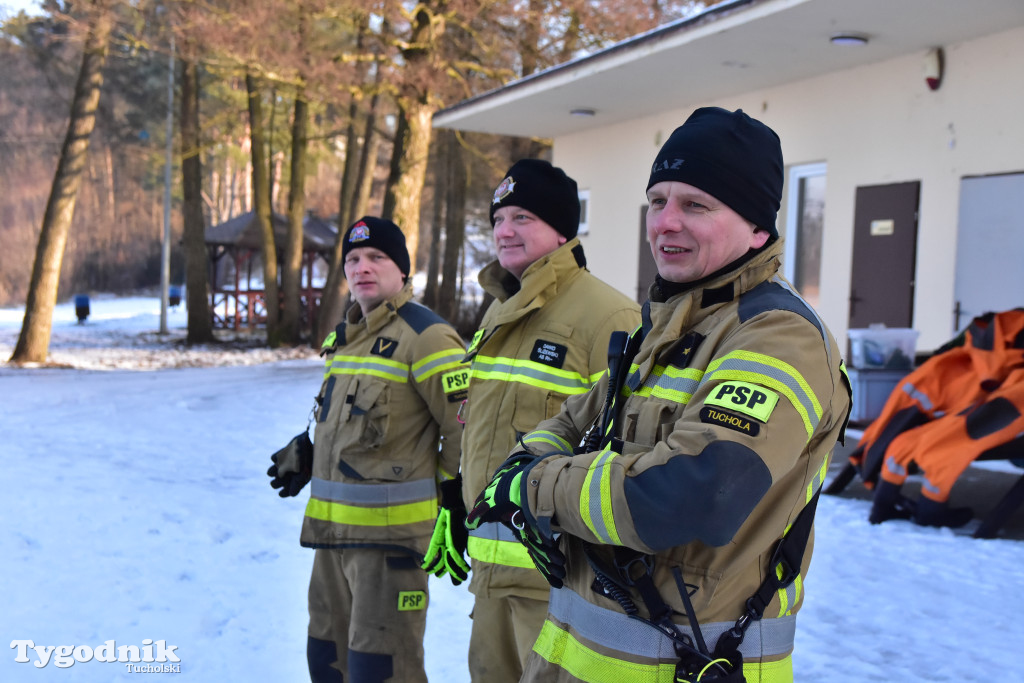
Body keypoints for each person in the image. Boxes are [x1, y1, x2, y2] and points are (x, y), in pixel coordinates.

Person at [465, 108, 852, 682]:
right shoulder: (667, 326)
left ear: (758, 229)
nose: (665, 222)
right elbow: (572, 421)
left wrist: (534, 485)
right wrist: (534, 461)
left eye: (695, 205)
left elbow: (693, 494)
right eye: (657, 201)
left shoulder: (777, 335)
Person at [422, 158, 641, 682]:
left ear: (561, 229)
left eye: (522, 217)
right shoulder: (501, 310)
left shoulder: (609, 317)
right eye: (498, 219)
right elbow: (479, 427)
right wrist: (456, 499)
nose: (505, 230)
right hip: (491, 576)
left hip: (561, 585)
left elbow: (626, 449)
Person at [268, 216, 469, 683]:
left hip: (390, 548)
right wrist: (311, 452)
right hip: (331, 542)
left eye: (377, 257)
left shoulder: (428, 336)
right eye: (353, 259)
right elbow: (359, 426)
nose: (362, 267)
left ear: (402, 270)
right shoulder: (345, 338)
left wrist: (453, 501)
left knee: (381, 671)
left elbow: (464, 428)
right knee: (327, 663)